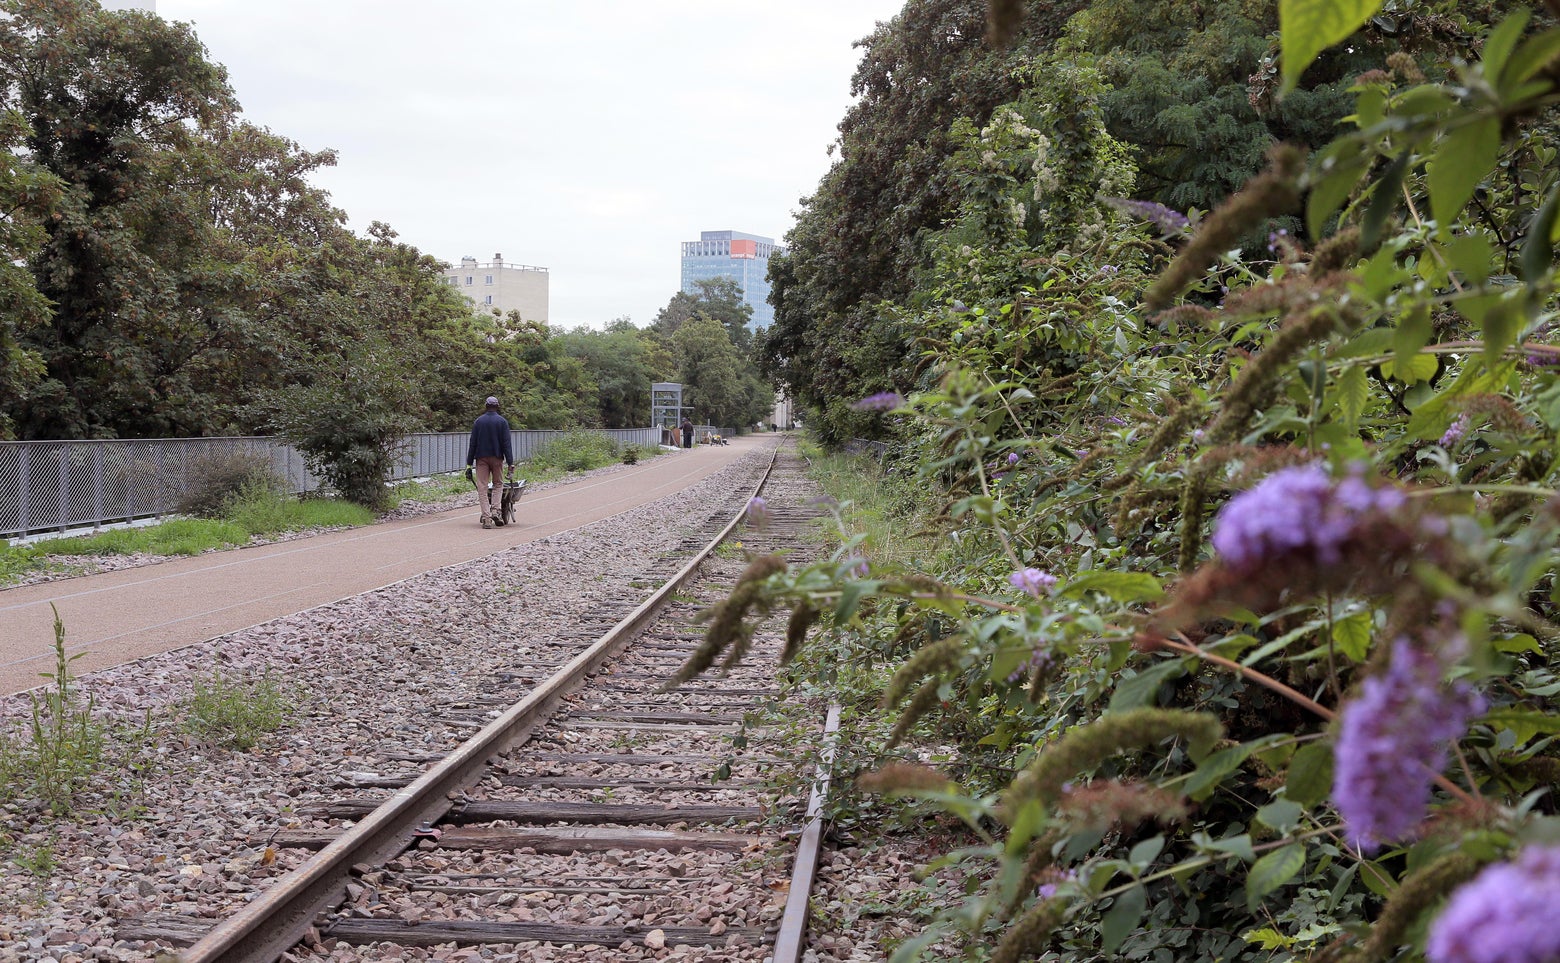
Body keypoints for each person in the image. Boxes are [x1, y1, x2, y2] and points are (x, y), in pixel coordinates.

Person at [466, 395, 514, 529]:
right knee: (498, 484)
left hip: (481, 458)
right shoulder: (502, 422)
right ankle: (496, 511)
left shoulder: (478, 422)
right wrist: (510, 462)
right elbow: (507, 444)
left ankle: (486, 518)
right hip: (497, 458)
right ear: (497, 406)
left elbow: (473, 444)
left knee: (482, 486)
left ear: (486, 406)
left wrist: (469, 464)